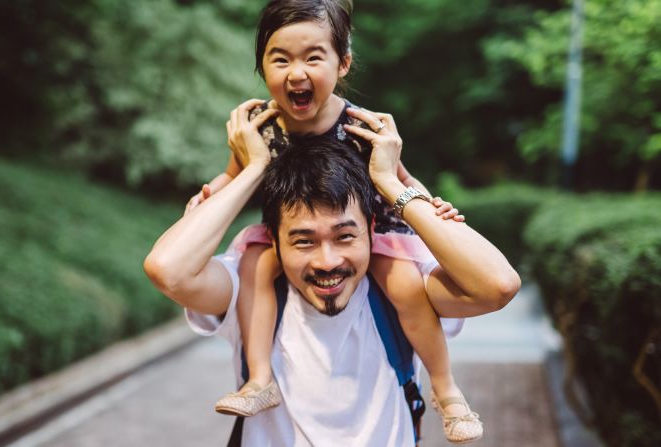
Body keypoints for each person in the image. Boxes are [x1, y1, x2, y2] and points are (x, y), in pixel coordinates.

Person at [183, 1, 501, 443]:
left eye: (313, 57)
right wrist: (208, 200)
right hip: (288, 237)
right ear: (261, 66)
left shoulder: (363, 127)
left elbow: (403, 179)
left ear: (343, 63)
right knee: (256, 263)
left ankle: (447, 390)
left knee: (407, 287)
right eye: (280, 59)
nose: (296, 73)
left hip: (377, 236)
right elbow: (235, 175)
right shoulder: (260, 128)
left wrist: (432, 207)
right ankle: (258, 380)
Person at [145, 103, 521, 445]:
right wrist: (252, 169)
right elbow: (168, 269)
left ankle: (448, 391)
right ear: (272, 239)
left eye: (344, 236)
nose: (327, 261)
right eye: (304, 241)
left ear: (372, 228)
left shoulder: (401, 291)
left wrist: (394, 187)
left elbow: (498, 285)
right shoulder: (250, 289)